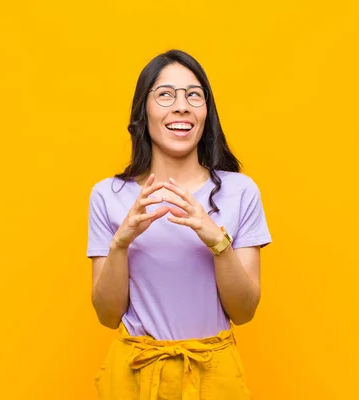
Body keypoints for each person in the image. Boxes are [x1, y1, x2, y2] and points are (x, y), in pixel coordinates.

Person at [86, 49, 272, 400]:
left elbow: (244, 311)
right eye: (165, 94)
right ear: (144, 111)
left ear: (206, 114)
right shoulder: (108, 195)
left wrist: (216, 241)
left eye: (194, 95)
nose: (182, 106)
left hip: (213, 379)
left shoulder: (239, 191)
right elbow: (108, 315)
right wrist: (120, 243)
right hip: (134, 377)